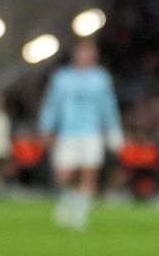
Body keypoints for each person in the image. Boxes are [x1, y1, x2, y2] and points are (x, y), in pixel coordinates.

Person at [37, 40, 122, 230]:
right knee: (63, 174)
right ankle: (67, 202)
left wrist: (113, 131)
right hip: (67, 132)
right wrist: (46, 128)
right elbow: (52, 104)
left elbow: (108, 106)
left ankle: (79, 214)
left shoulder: (100, 78)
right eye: (82, 52)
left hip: (91, 132)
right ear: (75, 54)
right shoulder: (62, 77)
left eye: (89, 52)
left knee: (89, 171)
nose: (85, 56)